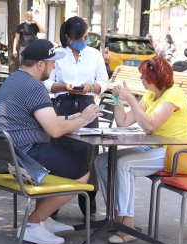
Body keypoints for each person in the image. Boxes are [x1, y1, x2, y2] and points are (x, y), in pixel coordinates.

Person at [0, 39, 102, 244]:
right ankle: (32, 224)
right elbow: (55, 130)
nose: (54, 66)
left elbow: (46, 119)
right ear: (40, 64)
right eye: (52, 62)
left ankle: (44, 219)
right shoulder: (34, 87)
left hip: (0, 152)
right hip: (17, 155)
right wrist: (83, 119)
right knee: (82, 171)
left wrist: (76, 117)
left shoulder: (15, 79)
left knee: (65, 156)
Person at [95, 56, 187, 244]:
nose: (140, 80)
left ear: (154, 78)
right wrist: (117, 99)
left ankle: (127, 227)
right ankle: (115, 218)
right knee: (102, 161)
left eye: (143, 76)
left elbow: (150, 125)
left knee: (124, 164)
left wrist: (131, 98)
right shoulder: (150, 95)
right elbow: (123, 122)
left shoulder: (174, 94)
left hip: (174, 152)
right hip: (153, 147)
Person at [44, 16, 108, 220]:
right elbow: (46, 83)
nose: (84, 40)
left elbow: (103, 81)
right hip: (63, 104)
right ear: (69, 38)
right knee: (59, 150)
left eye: (86, 36)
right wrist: (65, 87)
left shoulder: (94, 54)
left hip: (87, 104)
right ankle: (52, 206)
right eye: (80, 37)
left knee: (89, 154)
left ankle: (89, 203)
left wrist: (91, 87)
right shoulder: (57, 54)